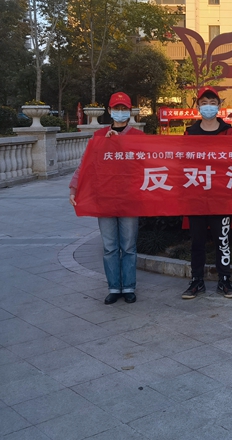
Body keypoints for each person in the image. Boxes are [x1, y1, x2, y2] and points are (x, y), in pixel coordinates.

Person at [69, 92, 143, 305]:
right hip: (105, 199)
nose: (120, 112)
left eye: (124, 109)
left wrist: (122, 145)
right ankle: (113, 287)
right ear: (109, 111)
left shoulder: (138, 137)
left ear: (130, 111)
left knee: (128, 246)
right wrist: (74, 188)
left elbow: (147, 164)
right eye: (116, 108)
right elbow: (85, 165)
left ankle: (128, 287)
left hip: (129, 200)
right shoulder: (99, 136)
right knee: (110, 246)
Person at [182, 87, 232, 300]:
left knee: (222, 241)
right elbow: (183, 162)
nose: (208, 106)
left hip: (222, 197)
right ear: (198, 106)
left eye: (212, 103)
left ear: (219, 106)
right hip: (197, 196)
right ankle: (196, 280)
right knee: (197, 241)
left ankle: (224, 280)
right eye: (204, 103)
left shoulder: (230, 132)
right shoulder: (189, 133)